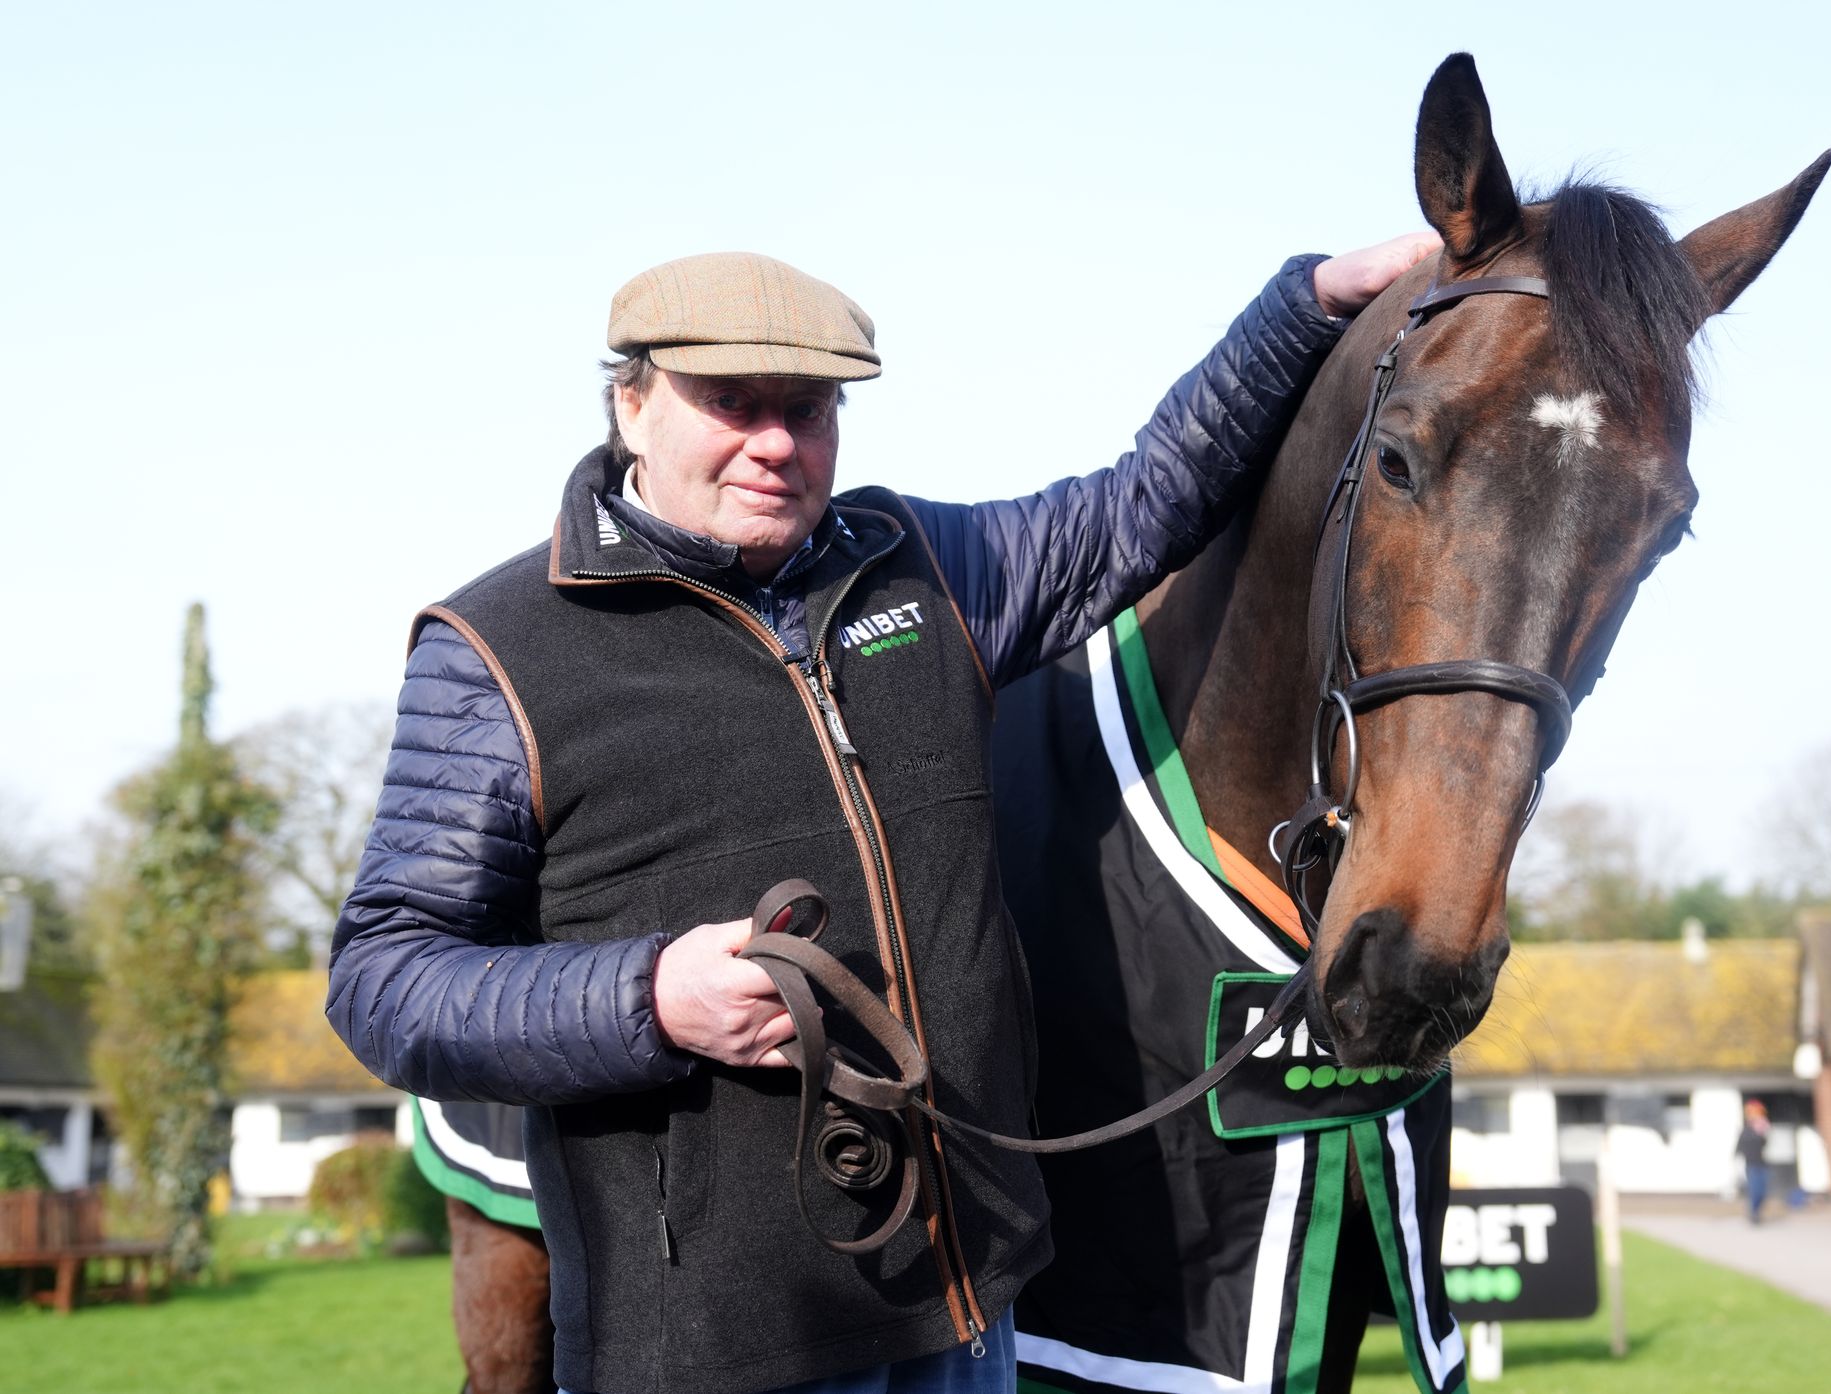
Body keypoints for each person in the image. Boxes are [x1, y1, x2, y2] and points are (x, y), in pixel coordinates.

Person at [326, 235, 1437, 1394]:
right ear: (631, 404)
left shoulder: (922, 565)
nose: (775, 441)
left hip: (963, 1308)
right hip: (714, 1351)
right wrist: (649, 997)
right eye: (731, 402)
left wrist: (1305, 304)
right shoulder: (497, 649)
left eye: (807, 408)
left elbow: (1140, 505)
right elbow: (384, 976)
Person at [1736, 1098, 1772, 1224]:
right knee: (1755, 1190)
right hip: (1751, 1165)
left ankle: (1756, 1211)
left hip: (1762, 1164)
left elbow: (1764, 1145)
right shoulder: (1745, 1131)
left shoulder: (1761, 1130)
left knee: (1762, 1192)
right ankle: (1753, 1213)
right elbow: (1739, 1148)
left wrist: (1763, 1133)